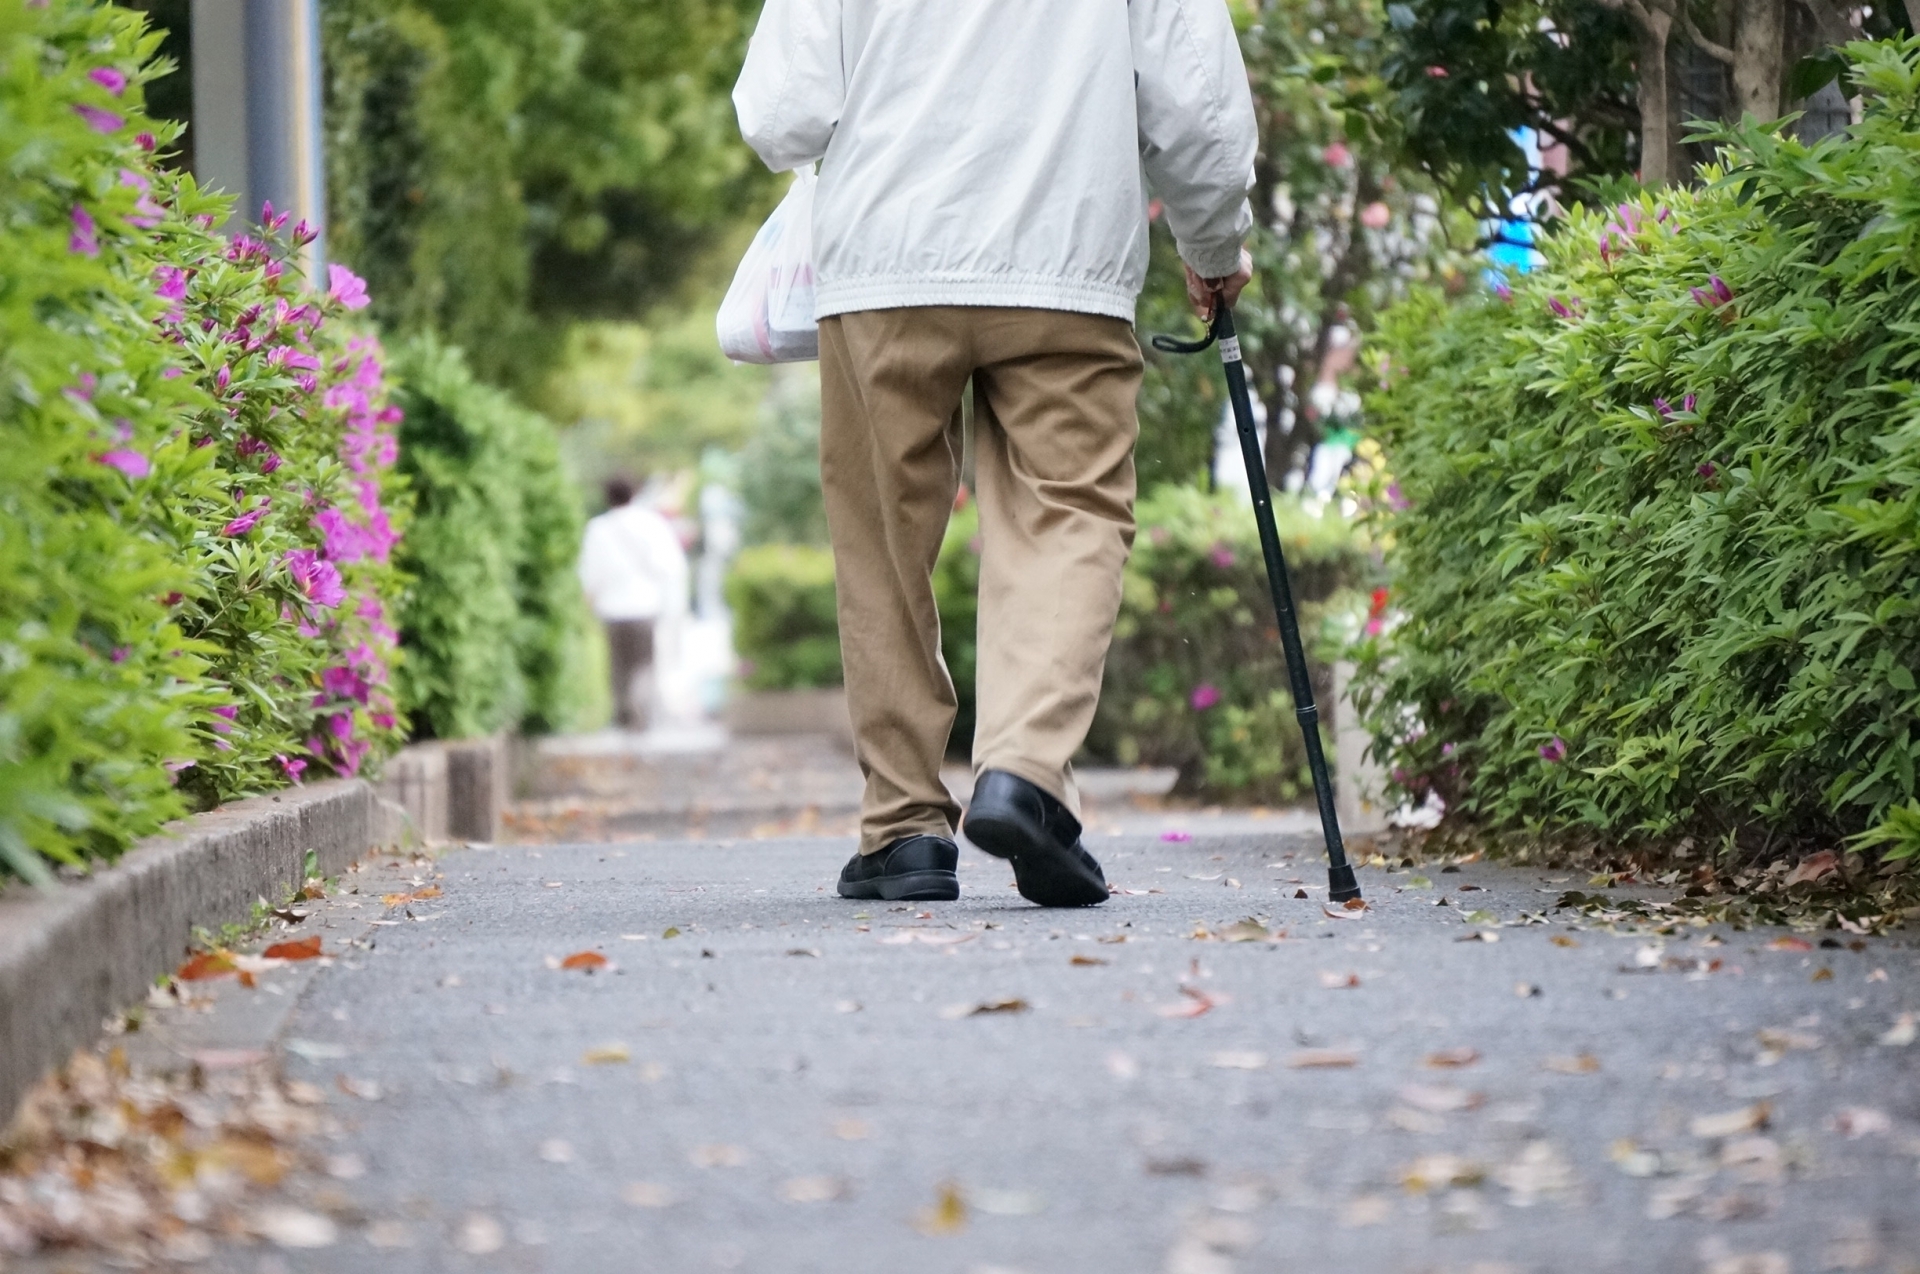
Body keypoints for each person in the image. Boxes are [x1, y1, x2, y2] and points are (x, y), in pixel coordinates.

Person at [734, 0, 1257, 906]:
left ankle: (902, 830)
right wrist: (1212, 243)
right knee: (1070, 509)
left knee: (882, 542)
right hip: (1068, 263)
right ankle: (1023, 774)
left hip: (886, 265)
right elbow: (1196, 95)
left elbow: (783, 111)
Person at [577, 476, 689, 731]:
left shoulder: (598, 528)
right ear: (634, 492)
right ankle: (641, 707)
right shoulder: (651, 524)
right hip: (645, 605)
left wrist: (588, 602)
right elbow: (670, 566)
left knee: (619, 665)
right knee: (644, 663)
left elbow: (591, 574)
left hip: (612, 608)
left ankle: (624, 712)